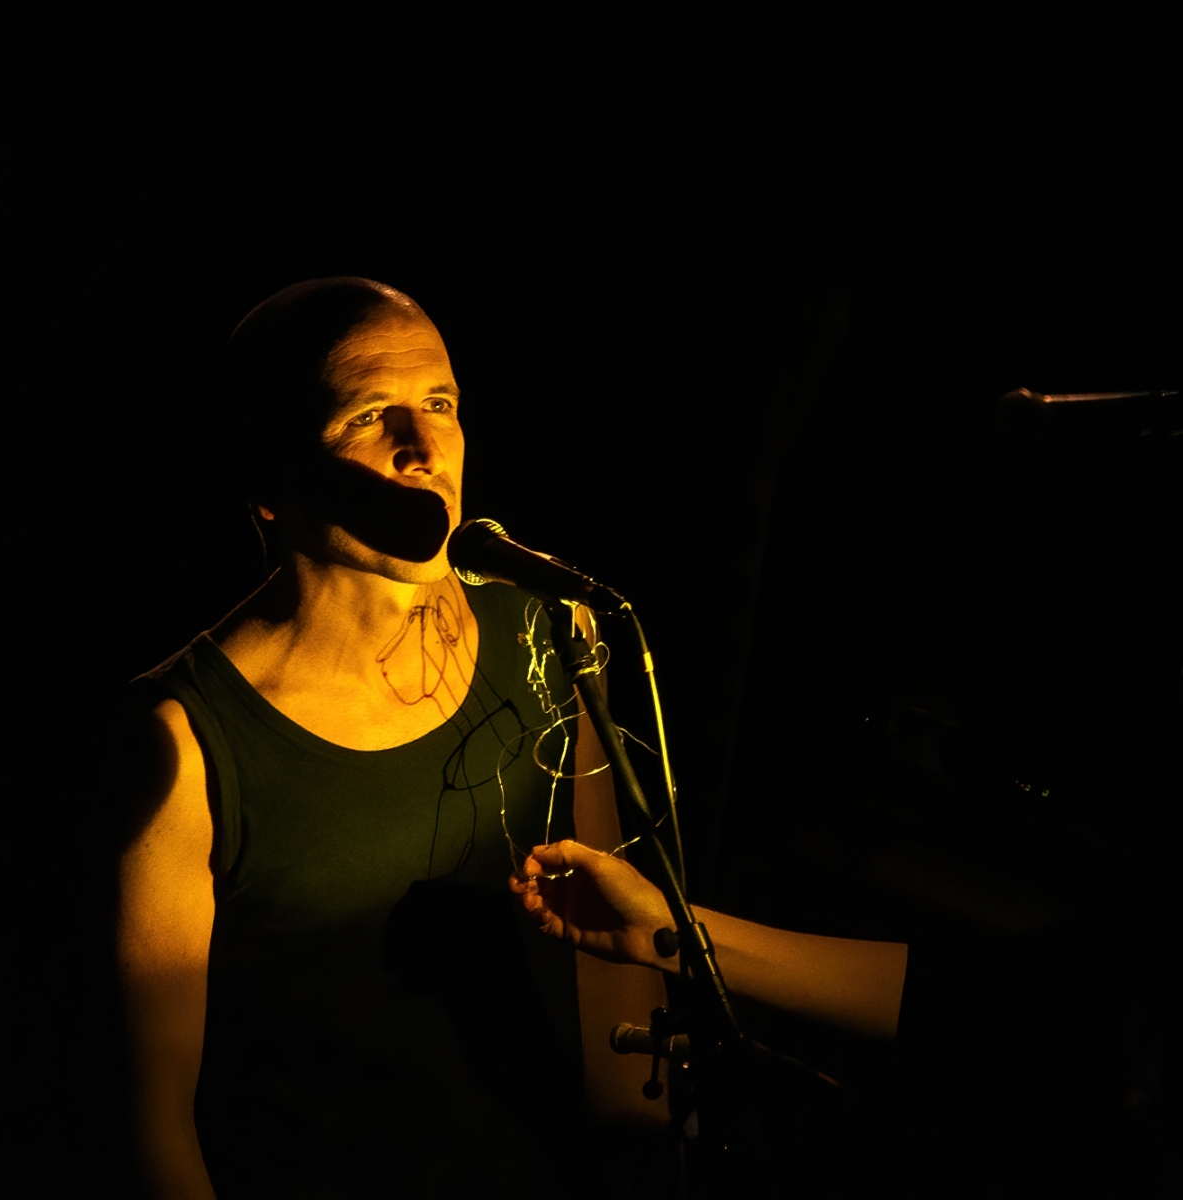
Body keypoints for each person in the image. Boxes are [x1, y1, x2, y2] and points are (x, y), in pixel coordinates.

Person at [119, 277, 907, 1198]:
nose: (424, 449)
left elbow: (617, 1001)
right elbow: (153, 1125)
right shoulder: (180, 742)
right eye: (367, 415)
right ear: (267, 479)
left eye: (440, 404)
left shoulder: (550, 629)